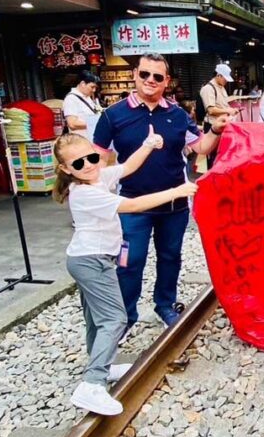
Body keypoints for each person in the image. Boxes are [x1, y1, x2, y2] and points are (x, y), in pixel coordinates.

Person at [53, 129, 197, 415]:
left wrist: (147, 144)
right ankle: (91, 384)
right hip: (91, 261)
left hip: (90, 258)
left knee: (96, 319)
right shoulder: (83, 193)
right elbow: (130, 205)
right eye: (79, 163)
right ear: (66, 169)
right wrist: (176, 192)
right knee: (115, 318)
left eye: (92, 157)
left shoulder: (97, 178)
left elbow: (128, 167)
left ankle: (101, 366)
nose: (89, 165)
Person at [94, 53, 228, 328]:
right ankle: (125, 315)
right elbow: (98, 158)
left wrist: (215, 129)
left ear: (166, 81)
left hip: (174, 204)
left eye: (157, 76)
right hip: (132, 204)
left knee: (170, 257)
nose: (150, 81)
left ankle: (165, 304)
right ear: (135, 74)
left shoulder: (177, 115)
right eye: (145, 74)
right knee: (130, 261)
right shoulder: (112, 115)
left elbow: (201, 146)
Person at [63, 71, 103, 141]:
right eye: (92, 87)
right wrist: (97, 123)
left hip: (92, 140)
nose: (94, 90)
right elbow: (72, 124)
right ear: (83, 84)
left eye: (95, 87)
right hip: (82, 142)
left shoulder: (87, 97)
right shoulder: (71, 99)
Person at [198, 64, 237, 130]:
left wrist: (231, 110)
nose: (226, 81)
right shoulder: (208, 88)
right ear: (218, 75)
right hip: (212, 126)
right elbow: (211, 110)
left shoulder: (221, 87)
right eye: (225, 79)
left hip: (221, 123)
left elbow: (222, 104)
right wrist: (227, 111)